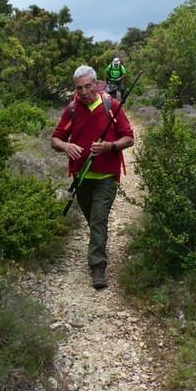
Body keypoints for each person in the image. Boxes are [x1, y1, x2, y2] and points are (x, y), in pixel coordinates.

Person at [51, 65, 134, 289]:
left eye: (88, 86)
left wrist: (111, 146)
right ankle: (99, 244)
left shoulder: (111, 105)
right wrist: (66, 146)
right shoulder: (72, 110)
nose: (84, 92)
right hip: (82, 177)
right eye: (79, 88)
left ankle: (98, 266)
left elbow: (129, 138)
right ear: (75, 89)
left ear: (96, 84)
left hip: (107, 176)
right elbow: (55, 139)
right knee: (92, 219)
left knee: (98, 218)